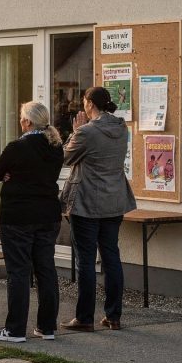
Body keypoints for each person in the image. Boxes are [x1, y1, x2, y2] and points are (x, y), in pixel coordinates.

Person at [60, 86, 137, 332]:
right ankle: (113, 316)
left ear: (90, 103)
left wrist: (75, 132)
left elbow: (66, 157)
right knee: (111, 257)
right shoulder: (121, 127)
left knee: (85, 261)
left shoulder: (87, 132)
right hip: (114, 200)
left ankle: (84, 318)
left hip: (87, 203)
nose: (82, 104)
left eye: (84, 100)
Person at [0, 101, 63, 343]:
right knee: (46, 270)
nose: (20, 122)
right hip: (48, 215)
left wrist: (11, 174)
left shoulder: (17, 147)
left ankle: (15, 329)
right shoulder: (55, 147)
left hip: (18, 217)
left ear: (28, 122)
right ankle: (47, 327)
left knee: (19, 272)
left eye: (22, 118)